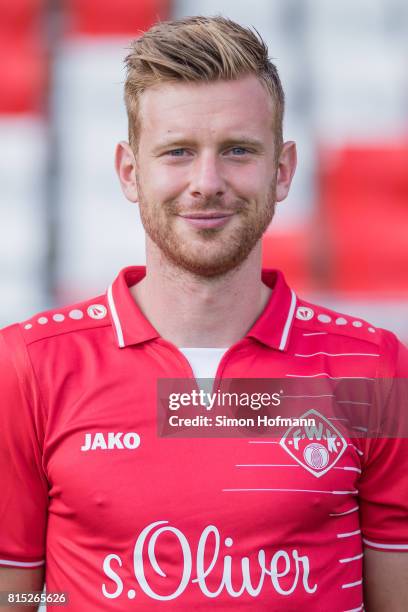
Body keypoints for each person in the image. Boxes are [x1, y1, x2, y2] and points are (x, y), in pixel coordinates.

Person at [0, 15, 407, 611]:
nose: (207, 182)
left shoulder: (370, 367)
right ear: (129, 172)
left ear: (283, 168)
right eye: (178, 152)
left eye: (238, 150)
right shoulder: (28, 367)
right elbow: (18, 598)